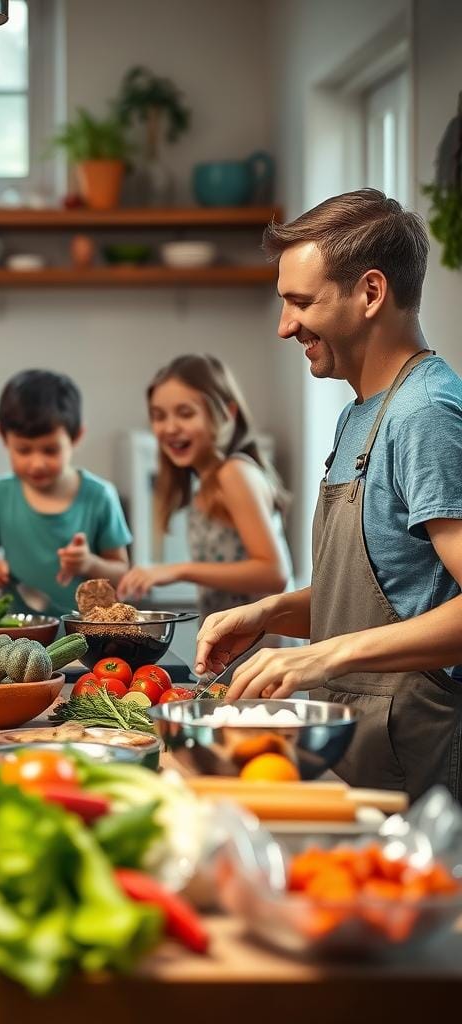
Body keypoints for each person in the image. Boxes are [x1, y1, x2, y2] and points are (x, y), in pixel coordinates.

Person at [196, 188, 462, 800]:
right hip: (362, 754)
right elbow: (392, 592)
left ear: (371, 293)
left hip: (421, 771)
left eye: (301, 302)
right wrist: (272, 613)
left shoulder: (424, 414)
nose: (285, 325)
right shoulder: (361, 415)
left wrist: (322, 657)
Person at [116, 354, 292, 619]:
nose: (170, 427)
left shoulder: (234, 473)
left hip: (262, 648)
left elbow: (274, 574)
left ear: (227, 413)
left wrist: (178, 570)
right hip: (232, 646)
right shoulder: (206, 484)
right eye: (158, 416)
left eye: (185, 413)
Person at [0, 369, 131, 617]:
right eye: (23, 450)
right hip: (18, 635)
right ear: (3, 436)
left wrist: (89, 564)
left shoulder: (100, 497)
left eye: (50, 450)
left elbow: (122, 574)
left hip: (87, 638)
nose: (37, 464)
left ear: (76, 437)